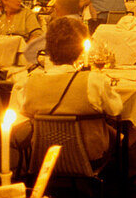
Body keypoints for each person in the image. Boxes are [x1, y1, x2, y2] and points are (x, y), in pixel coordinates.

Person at [11, 16, 122, 164]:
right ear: (81, 50)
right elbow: (116, 109)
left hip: (45, 157)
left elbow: (22, 113)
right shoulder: (93, 80)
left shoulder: (29, 83)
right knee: (119, 134)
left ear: (48, 48)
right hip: (89, 156)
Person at [24, 0, 83, 65]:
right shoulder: (81, 25)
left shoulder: (58, 27)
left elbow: (30, 50)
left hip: (56, 68)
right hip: (78, 66)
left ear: (58, 8)